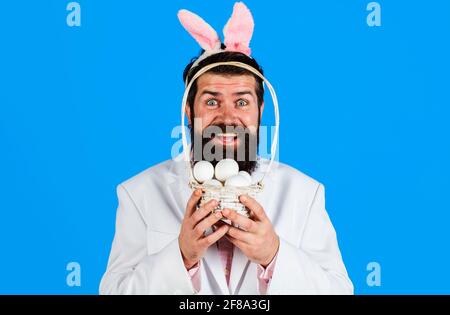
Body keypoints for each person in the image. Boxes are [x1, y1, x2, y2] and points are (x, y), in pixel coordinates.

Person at [99, 2, 353, 295]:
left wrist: (274, 255)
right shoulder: (139, 193)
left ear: (260, 109)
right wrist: (180, 256)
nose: (228, 117)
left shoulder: (305, 194)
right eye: (211, 101)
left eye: (242, 102)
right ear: (188, 111)